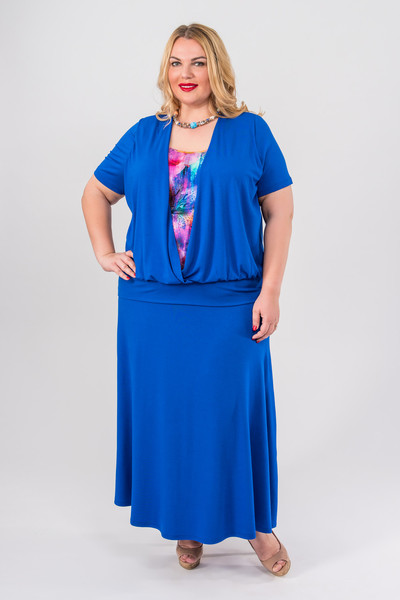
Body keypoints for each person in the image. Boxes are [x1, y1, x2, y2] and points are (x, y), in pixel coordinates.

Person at [81, 23, 294, 576]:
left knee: (228, 415)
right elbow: (96, 192)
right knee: (171, 416)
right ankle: (187, 525)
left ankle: (256, 526)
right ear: (165, 71)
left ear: (216, 68)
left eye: (198, 62)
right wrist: (105, 253)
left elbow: (280, 210)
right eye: (176, 63)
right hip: (152, 306)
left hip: (229, 303)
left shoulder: (251, 132)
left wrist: (271, 290)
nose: (186, 74)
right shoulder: (143, 135)